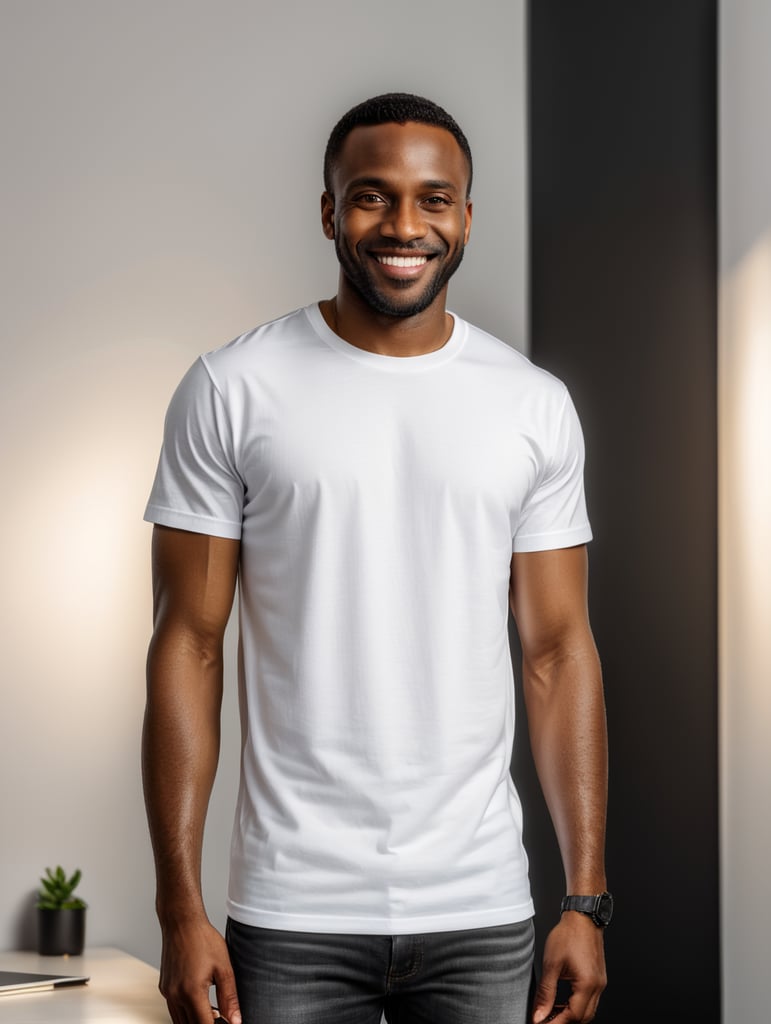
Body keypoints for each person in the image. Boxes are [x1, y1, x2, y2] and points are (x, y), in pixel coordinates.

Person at [142, 92, 609, 1024]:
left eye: (434, 199)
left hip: (480, 906)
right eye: (371, 196)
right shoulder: (232, 389)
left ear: (466, 216)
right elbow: (187, 645)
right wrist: (180, 908)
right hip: (290, 910)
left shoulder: (531, 404)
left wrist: (584, 900)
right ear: (328, 211)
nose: (404, 225)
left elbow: (557, 652)